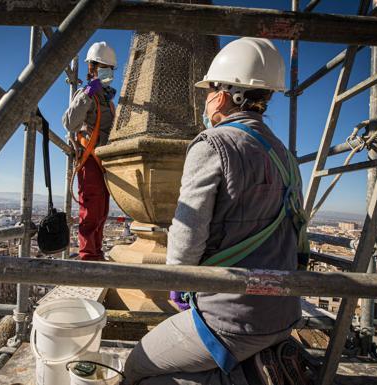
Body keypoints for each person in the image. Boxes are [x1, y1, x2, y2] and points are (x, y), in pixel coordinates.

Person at [122, 37, 305, 385]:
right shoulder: (285, 156)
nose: (205, 101)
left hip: (232, 318)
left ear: (223, 95)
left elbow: (186, 240)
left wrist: (179, 282)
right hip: (283, 311)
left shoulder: (214, 144)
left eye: (208, 92)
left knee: (138, 367)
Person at [63, 42, 117, 261]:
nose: (108, 71)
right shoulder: (86, 94)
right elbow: (69, 123)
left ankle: (96, 253)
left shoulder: (109, 101)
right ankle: (87, 256)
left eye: (110, 68)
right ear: (92, 68)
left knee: (102, 210)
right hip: (90, 159)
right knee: (91, 210)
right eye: (103, 66)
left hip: (104, 162)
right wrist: (86, 94)